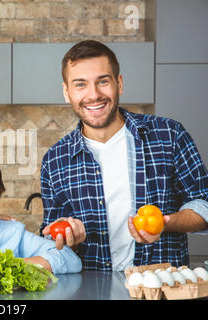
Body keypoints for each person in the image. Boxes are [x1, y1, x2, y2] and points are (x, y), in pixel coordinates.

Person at [40, 40, 208, 271]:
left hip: (161, 287)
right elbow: (54, 237)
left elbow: (203, 203)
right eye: (80, 84)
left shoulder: (169, 134)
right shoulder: (55, 159)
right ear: (66, 92)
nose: (94, 94)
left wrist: (165, 223)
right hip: (92, 290)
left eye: (103, 81)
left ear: (119, 83)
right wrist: (68, 237)